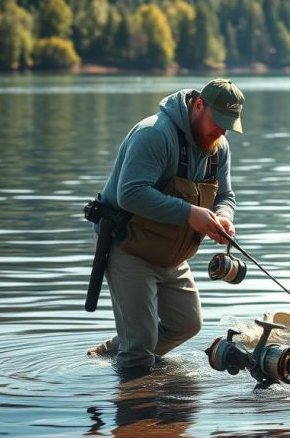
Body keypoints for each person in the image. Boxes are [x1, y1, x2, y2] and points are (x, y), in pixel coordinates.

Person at [87, 79, 244, 372]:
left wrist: (224, 217)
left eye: (229, 124)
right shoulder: (154, 135)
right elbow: (130, 193)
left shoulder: (219, 147)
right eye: (218, 121)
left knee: (187, 324)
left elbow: (225, 195)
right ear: (199, 105)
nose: (222, 131)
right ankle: (134, 393)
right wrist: (190, 213)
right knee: (141, 344)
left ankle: (121, 350)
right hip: (129, 247)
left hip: (173, 255)